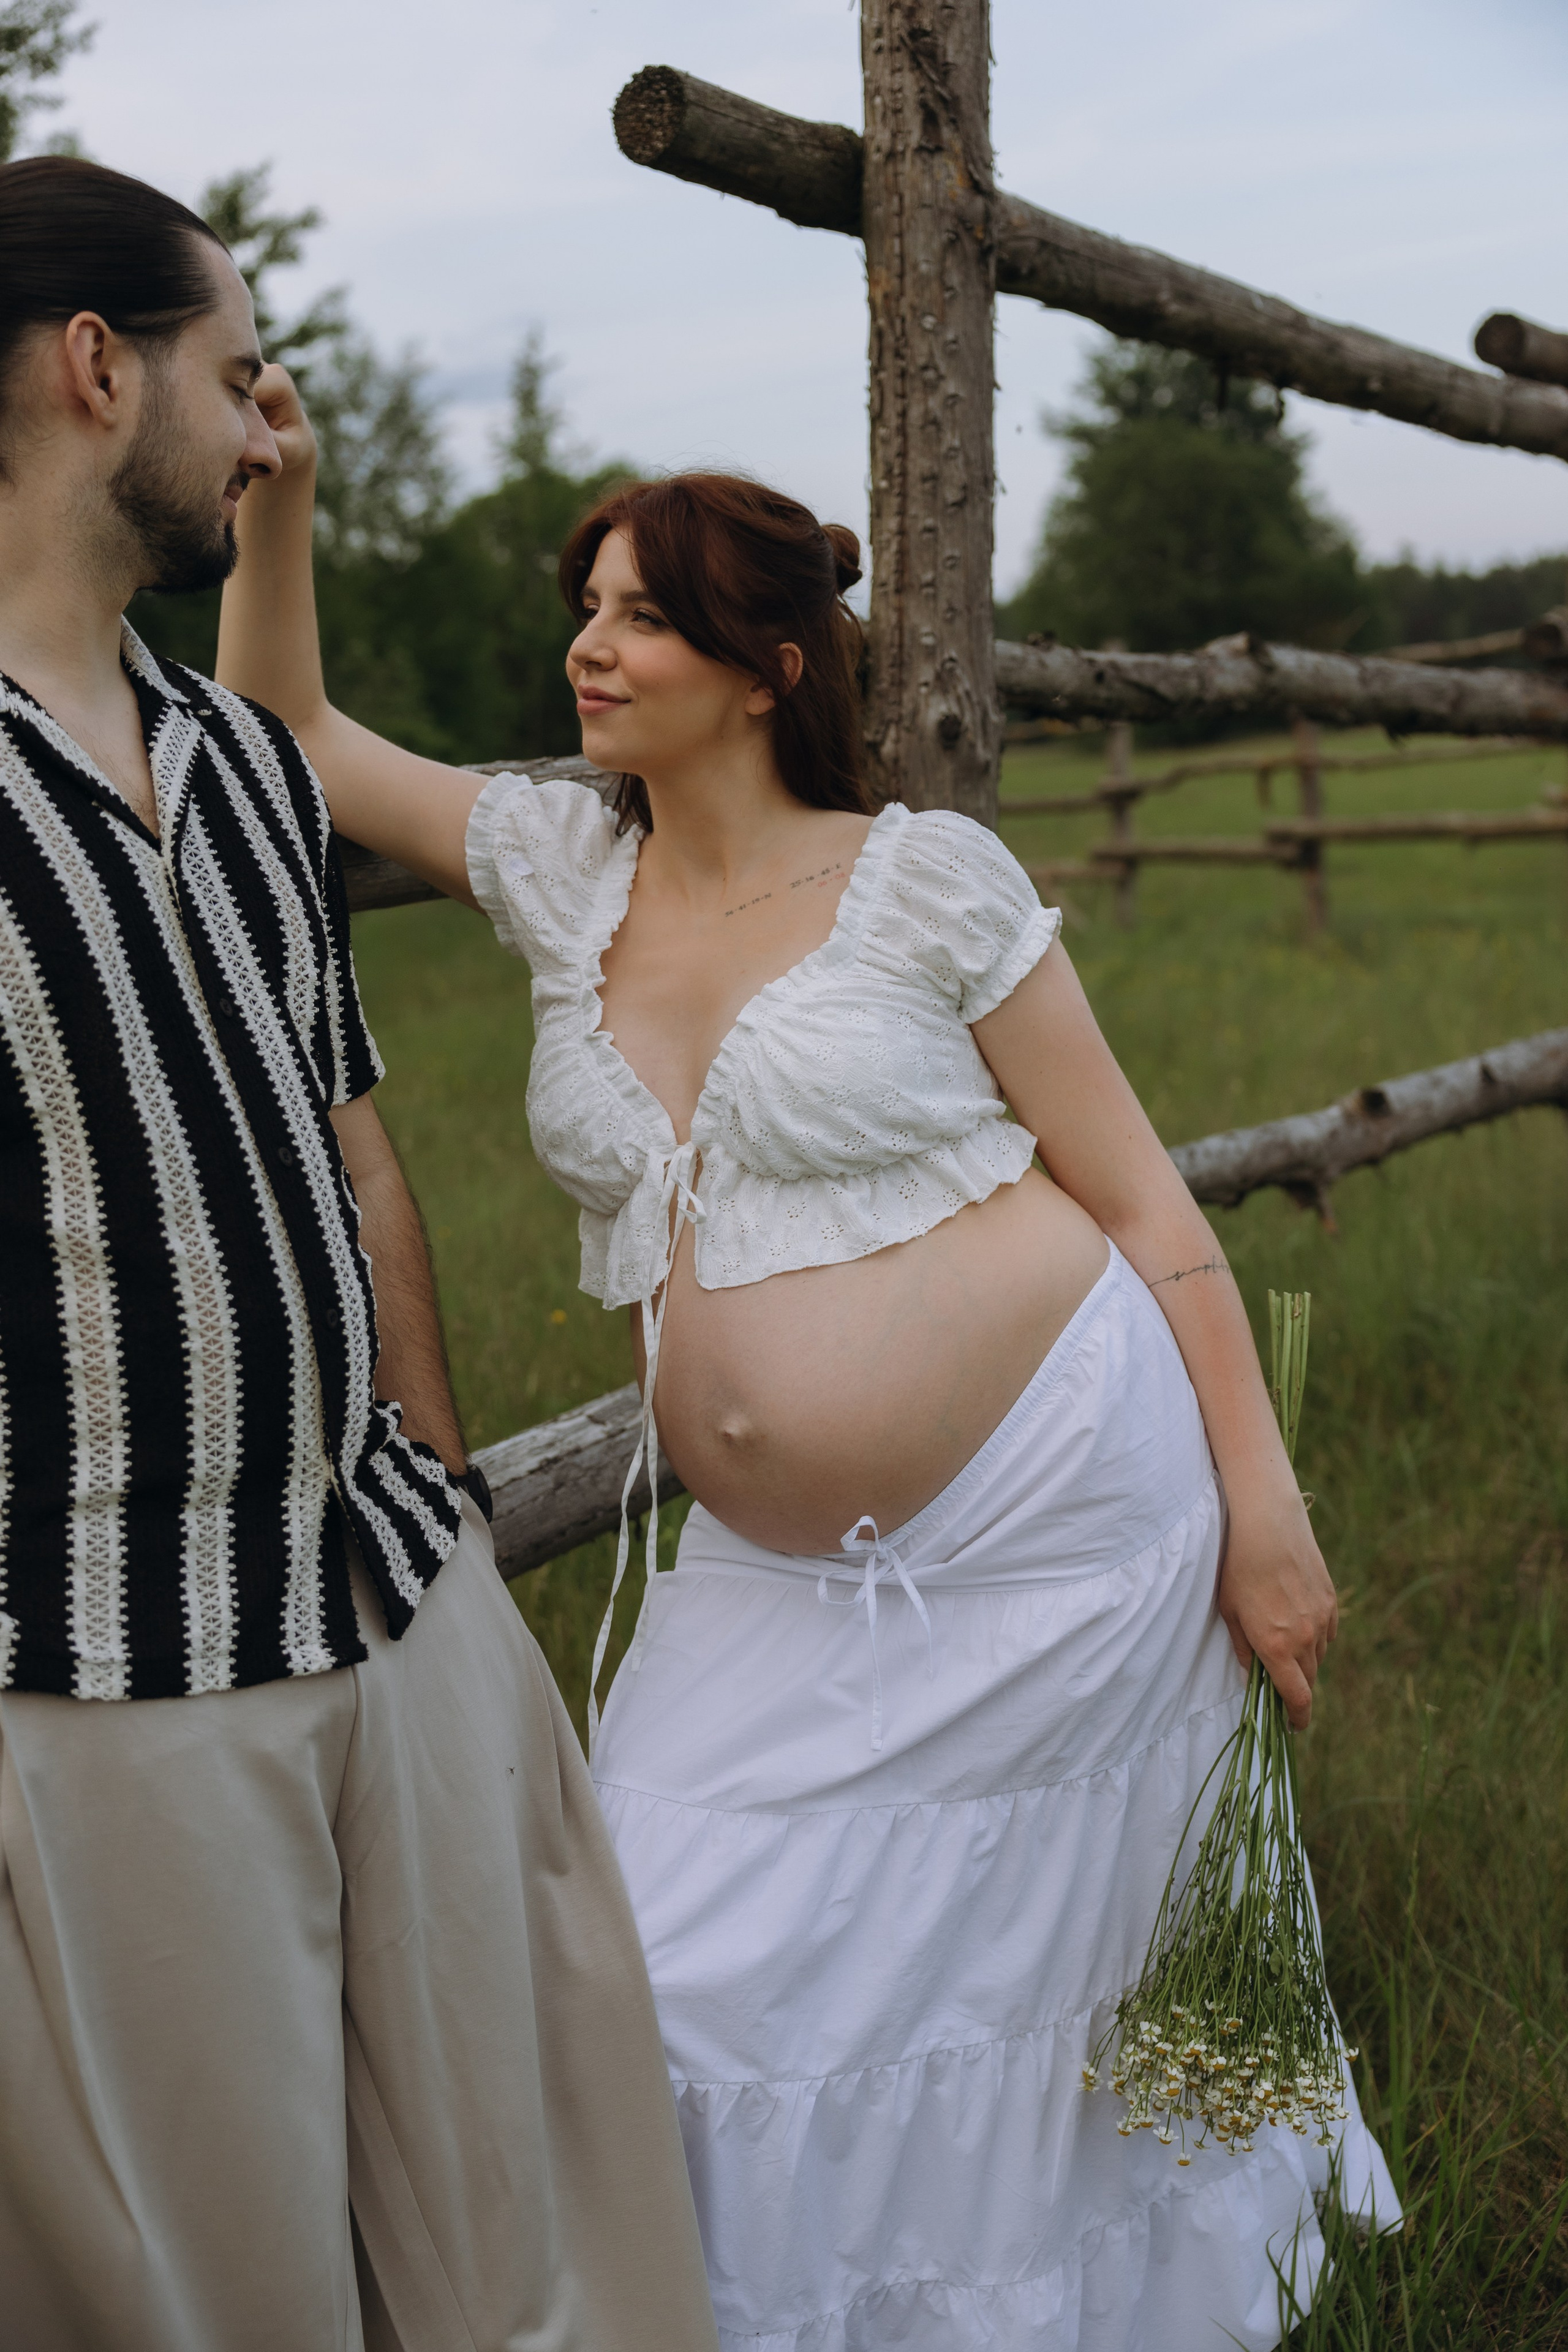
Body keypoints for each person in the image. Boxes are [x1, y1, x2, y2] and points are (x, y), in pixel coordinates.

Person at [219, 379, 1399, 2350]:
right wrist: (283, 508)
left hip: (1065, 1517)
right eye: (587, 607)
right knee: (650, 1972)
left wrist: (1262, 1518)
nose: (592, 646)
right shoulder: (554, 872)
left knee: (1053, 1958)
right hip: (773, 1571)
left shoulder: (920, 879)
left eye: (644, 617)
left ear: (767, 668)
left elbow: (1151, 1206)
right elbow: (293, 737)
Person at [0, 156, 718, 2352]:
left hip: (395, 1599)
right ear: (95, 369)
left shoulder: (232, 758)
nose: (262, 428)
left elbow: (356, 1146)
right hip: (99, 1671)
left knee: (539, 2229)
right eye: (234, 377)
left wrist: (435, 1475)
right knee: (206, 2286)